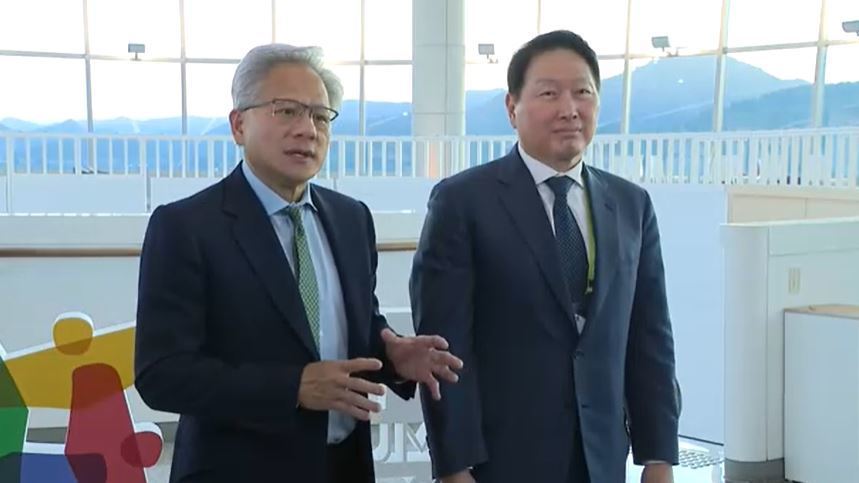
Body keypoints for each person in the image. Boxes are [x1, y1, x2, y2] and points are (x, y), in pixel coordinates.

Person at [134, 43, 462, 483]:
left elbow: (353, 332)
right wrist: (293, 387)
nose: (307, 130)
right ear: (238, 124)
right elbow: (162, 374)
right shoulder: (186, 227)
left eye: (320, 117)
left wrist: (392, 355)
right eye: (287, 111)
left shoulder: (351, 219)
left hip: (343, 468)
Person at [410, 30, 679, 483]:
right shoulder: (462, 202)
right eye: (549, 93)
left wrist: (658, 456)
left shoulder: (631, 205)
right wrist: (454, 467)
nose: (569, 109)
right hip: (502, 459)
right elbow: (445, 348)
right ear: (512, 107)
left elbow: (650, 338)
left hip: (601, 458)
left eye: (582, 93)